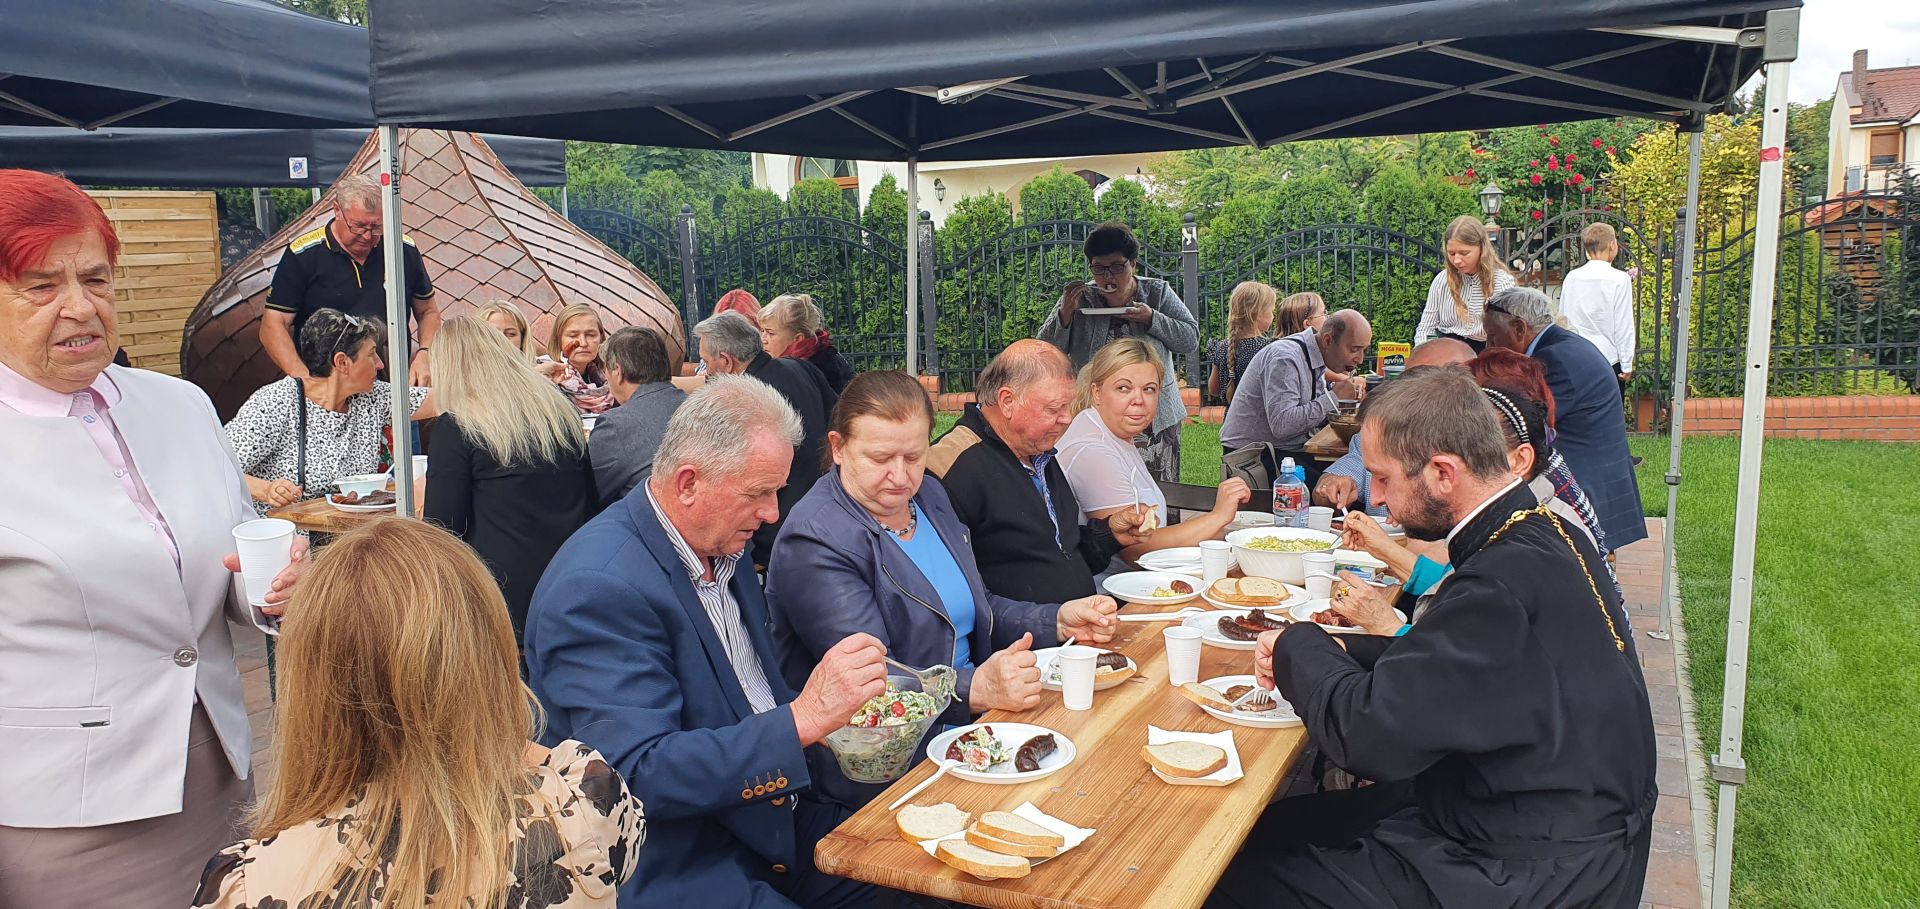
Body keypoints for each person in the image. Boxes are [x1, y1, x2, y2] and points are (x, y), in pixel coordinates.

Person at [1211, 366, 1656, 909]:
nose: (1376, 498)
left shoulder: (1498, 582)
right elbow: (1459, 663)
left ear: (1444, 473)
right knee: (1274, 828)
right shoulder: (1541, 530)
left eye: (1383, 478)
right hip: (1529, 817)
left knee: (1225, 879)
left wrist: (1296, 642)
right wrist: (1345, 648)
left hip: (1522, 868)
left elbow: (1367, 737)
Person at [0, 167, 303, 906]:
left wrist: (271, 585)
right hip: (63, 813)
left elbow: (229, 553)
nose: (81, 307)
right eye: (42, 286)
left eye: (95, 279)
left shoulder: (179, 404)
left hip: (221, 770)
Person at [526, 376, 886, 909]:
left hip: (764, 813)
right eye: (758, 493)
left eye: (776, 491)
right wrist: (803, 719)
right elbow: (632, 776)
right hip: (677, 855)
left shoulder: (719, 543)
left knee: (929, 872)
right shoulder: (597, 586)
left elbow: (746, 695)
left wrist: (833, 723)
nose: (772, 513)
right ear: (689, 483)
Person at [194, 518, 644, 909]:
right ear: (489, 661)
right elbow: (549, 763)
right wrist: (478, 716)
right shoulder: (587, 808)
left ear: (309, 689)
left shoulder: (248, 885)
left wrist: (328, 625)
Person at [766, 371, 1120, 806]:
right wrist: (975, 689)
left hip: (971, 730)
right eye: (880, 458)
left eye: (914, 457)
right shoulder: (816, 539)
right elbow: (874, 680)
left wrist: (1057, 619)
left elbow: (975, 606)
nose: (900, 476)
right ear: (838, 448)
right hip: (886, 769)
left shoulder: (929, 496)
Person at [928, 340, 1151, 604]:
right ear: (1007, 401)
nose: (1067, 418)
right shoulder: (951, 467)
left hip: (1080, 621)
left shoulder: (1038, 451)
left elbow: (1060, 554)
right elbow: (958, 595)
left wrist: (1109, 534)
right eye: (1054, 409)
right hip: (1030, 629)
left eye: (1068, 406)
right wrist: (1049, 620)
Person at [424, 316, 596, 644]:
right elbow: (590, 502)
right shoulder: (559, 412)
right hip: (574, 585)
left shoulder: (457, 427)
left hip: (501, 605)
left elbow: (442, 532)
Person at [1059, 339, 1252, 564]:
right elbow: (1135, 551)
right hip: (1117, 585)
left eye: (1149, 389)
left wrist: (1225, 528)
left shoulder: (1111, 433)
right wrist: (1218, 517)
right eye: (1123, 388)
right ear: (1097, 393)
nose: (1138, 400)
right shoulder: (1093, 450)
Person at [1484, 286, 1647, 550]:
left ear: (1519, 328)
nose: (1488, 349)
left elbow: (1521, 425)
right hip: (1597, 479)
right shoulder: (1565, 346)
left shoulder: (1553, 358)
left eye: (1493, 338)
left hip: (1584, 487)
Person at [1038, 221, 1199, 483]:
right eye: (1099, 268)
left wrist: (1152, 319)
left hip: (1153, 415)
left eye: (1116, 267)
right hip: (1096, 413)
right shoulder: (1082, 297)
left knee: (1158, 488)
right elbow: (1045, 350)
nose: (1108, 277)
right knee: (1102, 485)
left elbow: (1190, 339)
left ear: (1133, 264)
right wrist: (1064, 315)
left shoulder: (1157, 292)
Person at [226, 307, 434, 509]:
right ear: (342, 362)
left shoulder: (373, 397)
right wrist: (267, 490)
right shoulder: (276, 402)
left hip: (352, 529)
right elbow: (219, 466)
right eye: (371, 354)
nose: (379, 364)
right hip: (288, 530)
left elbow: (443, 400)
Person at [260, 174, 439, 385]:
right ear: (337, 210)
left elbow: (428, 311)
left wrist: (425, 353)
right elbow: (273, 325)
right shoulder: (304, 255)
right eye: (358, 226)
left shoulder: (402, 248)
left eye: (376, 227)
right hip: (327, 386)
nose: (367, 236)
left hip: (391, 382)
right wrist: (303, 379)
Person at [696, 310, 837, 566]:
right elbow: (838, 419)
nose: (706, 372)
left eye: (706, 362)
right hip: (827, 508)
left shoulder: (740, 401)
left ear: (726, 361)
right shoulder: (801, 367)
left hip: (774, 534)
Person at [1314, 337, 1476, 515]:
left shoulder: (1483, 453)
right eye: (1407, 384)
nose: (1412, 396)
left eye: (1430, 386)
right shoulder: (1379, 434)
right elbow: (1334, 482)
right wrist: (1331, 487)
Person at [1219, 309, 1372, 487]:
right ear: (1328, 340)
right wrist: (1334, 398)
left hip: (1286, 450)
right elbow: (1282, 425)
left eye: (1364, 350)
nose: (1360, 359)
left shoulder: (1314, 354)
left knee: (1358, 475)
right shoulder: (1285, 358)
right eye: (1354, 350)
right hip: (1254, 459)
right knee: (1343, 489)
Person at [590, 326, 687, 506]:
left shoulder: (615, 426)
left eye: (606, 370)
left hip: (653, 517)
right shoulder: (697, 406)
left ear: (617, 372)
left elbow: (591, 496)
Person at [1413, 215, 1516, 351]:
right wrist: (1423, 356)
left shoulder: (1502, 283)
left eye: (1464, 253)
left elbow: (1506, 335)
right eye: (1451, 253)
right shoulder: (1441, 280)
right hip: (1447, 351)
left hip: (1486, 352)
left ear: (1482, 249)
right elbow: (1425, 329)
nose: (1456, 260)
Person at [1558, 222, 1637, 395]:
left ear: (1587, 250)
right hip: (1608, 359)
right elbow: (1623, 324)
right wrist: (1626, 363)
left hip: (1576, 357)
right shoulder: (1619, 279)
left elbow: (1563, 319)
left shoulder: (1572, 277)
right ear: (1612, 245)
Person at [759, 292, 854, 394]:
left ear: (798, 338)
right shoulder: (826, 355)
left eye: (770, 333)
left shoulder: (815, 369)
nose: (762, 339)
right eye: (762, 330)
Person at [1205, 281, 1277, 405]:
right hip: (1259, 415)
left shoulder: (1222, 347)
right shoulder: (1269, 348)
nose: (1273, 316)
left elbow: (1214, 390)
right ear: (1258, 314)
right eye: (1271, 311)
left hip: (1231, 416)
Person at [541, 303, 616, 414]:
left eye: (590, 335)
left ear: (601, 339)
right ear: (558, 340)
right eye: (573, 336)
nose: (583, 343)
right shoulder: (545, 378)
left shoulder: (613, 380)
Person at [478, 299, 539, 364]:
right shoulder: (470, 369)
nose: (502, 339)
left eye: (510, 334)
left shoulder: (543, 366)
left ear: (523, 338)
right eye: (493, 333)